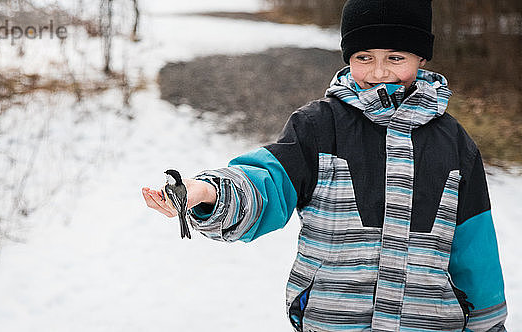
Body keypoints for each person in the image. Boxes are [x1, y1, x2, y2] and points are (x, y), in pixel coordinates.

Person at [141, 0, 508, 330]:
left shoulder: (455, 144)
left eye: (395, 57)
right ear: (348, 57)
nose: (379, 72)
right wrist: (207, 193)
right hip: (333, 322)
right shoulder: (319, 126)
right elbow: (267, 181)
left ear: (421, 58)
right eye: (364, 57)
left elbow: (476, 250)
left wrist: (489, 325)